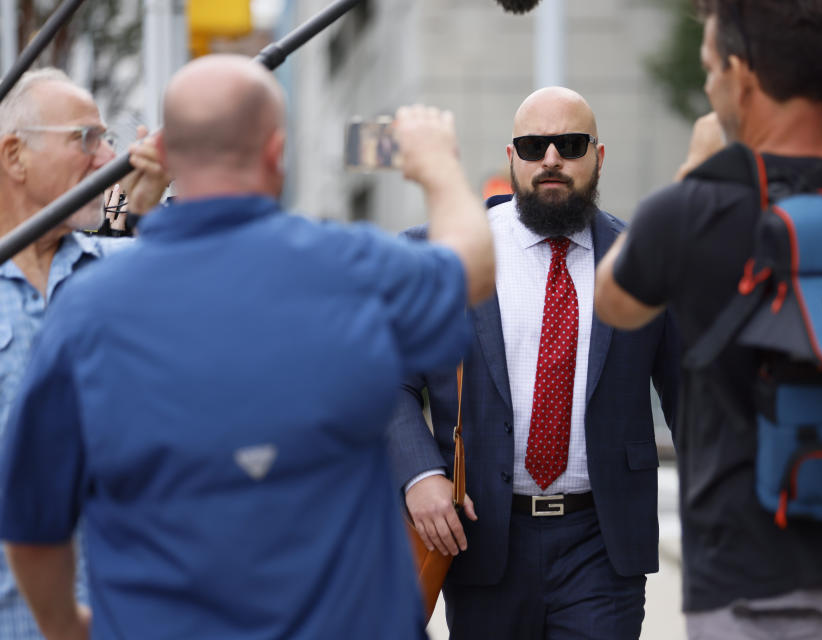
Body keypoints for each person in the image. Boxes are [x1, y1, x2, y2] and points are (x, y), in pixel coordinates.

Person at [0, 54, 494, 640]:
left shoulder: (88, 306)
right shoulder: (348, 270)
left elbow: (31, 524)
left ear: (171, 158)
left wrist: (67, 627)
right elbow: (473, 268)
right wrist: (438, 166)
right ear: (275, 153)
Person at [595, 1, 822, 638]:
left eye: (711, 69)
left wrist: (699, 164)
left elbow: (613, 300)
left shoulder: (692, 212)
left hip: (758, 590)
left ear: (741, 76)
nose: (708, 86)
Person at [387, 86, 681, 639]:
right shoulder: (441, 255)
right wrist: (420, 475)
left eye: (569, 144)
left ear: (598, 155)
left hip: (604, 540)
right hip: (481, 538)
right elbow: (386, 380)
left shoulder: (643, 261)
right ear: (511, 157)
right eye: (533, 145)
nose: (551, 159)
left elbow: (691, 395)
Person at [0, 67, 168, 640]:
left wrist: (150, 212)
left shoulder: (125, 269)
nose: (107, 158)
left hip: (122, 616)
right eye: (85, 139)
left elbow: (206, 313)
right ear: (15, 156)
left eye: (109, 140)